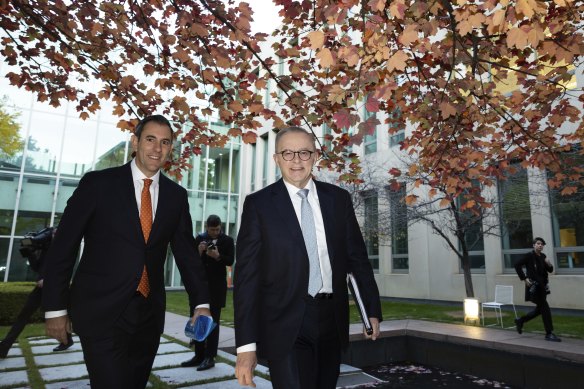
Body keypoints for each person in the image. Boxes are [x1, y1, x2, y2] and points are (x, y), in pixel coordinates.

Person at [41, 115, 211, 389]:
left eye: (165, 142)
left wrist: (201, 305)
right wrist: (55, 309)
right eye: (150, 139)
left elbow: (187, 255)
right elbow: (64, 247)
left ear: (171, 149)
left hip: (148, 316)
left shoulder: (176, 196)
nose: (157, 149)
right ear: (135, 141)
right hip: (100, 312)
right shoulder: (98, 184)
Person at [234, 126, 383, 389]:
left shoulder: (338, 199)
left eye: (304, 153)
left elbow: (357, 258)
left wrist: (370, 309)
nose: (296, 161)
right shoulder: (259, 205)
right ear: (276, 159)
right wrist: (246, 346)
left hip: (331, 319)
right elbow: (246, 279)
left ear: (315, 157)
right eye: (288, 153)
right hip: (284, 324)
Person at [0, 227, 73, 358]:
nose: (54, 234)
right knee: (24, 315)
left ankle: (69, 340)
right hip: (41, 288)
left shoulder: (66, 248)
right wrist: (29, 253)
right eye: (53, 232)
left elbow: (65, 269)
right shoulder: (47, 247)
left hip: (54, 288)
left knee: (57, 314)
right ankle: (4, 347)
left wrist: (47, 279)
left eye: (57, 232)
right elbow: (37, 266)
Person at [181, 214, 234, 371]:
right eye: (212, 230)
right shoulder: (200, 239)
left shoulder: (228, 241)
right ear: (207, 228)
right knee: (197, 320)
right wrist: (198, 251)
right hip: (200, 287)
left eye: (217, 229)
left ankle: (210, 357)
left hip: (217, 288)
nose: (215, 233)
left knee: (213, 323)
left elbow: (230, 260)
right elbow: (192, 261)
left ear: (221, 227)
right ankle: (198, 356)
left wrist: (218, 256)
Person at [514, 237, 561, 342]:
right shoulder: (529, 256)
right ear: (534, 245)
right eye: (538, 244)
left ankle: (521, 321)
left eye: (542, 244)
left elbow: (550, 270)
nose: (540, 245)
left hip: (542, 287)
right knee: (545, 308)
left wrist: (549, 264)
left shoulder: (543, 256)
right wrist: (524, 278)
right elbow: (517, 265)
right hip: (534, 287)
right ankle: (549, 333)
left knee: (540, 309)